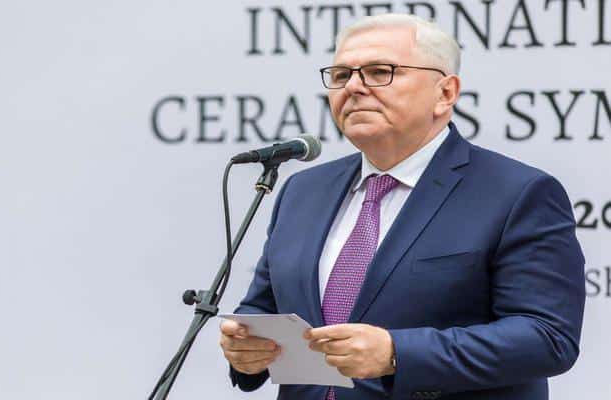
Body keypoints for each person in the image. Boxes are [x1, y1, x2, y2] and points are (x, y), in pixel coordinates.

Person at [219, 13, 585, 400]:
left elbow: (548, 337)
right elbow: (263, 306)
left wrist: (397, 353)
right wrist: (247, 348)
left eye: (380, 72)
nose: (353, 87)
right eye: (341, 75)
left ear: (445, 93)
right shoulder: (304, 190)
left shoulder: (517, 192)